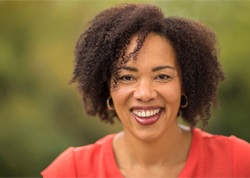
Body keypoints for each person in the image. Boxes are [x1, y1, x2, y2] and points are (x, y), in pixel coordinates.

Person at [41, 3, 250, 177]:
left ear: (185, 85)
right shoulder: (72, 171)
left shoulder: (238, 162)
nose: (144, 93)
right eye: (127, 77)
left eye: (162, 76)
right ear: (107, 89)